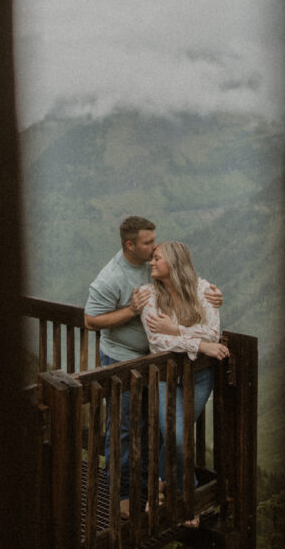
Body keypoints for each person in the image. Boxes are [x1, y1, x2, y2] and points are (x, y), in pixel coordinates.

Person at [84, 216, 222, 518]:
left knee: (158, 429)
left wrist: (187, 325)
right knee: (124, 427)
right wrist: (133, 311)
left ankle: (156, 488)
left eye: (155, 243)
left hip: (161, 364)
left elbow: (210, 329)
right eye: (149, 244)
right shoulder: (114, 279)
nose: (154, 248)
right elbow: (90, 321)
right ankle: (122, 494)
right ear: (130, 245)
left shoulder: (188, 283)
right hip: (122, 358)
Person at [141, 240, 230, 523]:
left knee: (177, 436)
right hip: (166, 376)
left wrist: (177, 329)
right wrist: (200, 346)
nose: (151, 263)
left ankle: (163, 482)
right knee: (179, 437)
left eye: (157, 258)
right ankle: (189, 496)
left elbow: (212, 333)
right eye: (152, 258)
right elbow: (158, 341)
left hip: (199, 378)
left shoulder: (205, 291)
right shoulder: (148, 295)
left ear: (175, 264)